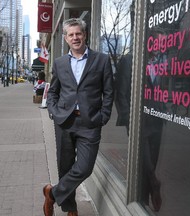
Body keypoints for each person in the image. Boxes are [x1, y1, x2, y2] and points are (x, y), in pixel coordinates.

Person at [44, 18, 114, 216]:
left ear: (85, 35)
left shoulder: (101, 59)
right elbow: (54, 92)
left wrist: (104, 116)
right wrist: (54, 111)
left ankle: (52, 194)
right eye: (71, 34)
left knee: (84, 168)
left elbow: (109, 92)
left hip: (90, 123)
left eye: (78, 33)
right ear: (65, 38)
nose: (75, 37)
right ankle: (70, 209)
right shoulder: (59, 63)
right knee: (65, 167)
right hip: (64, 121)